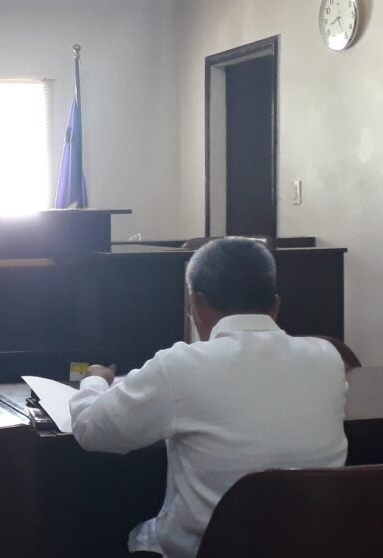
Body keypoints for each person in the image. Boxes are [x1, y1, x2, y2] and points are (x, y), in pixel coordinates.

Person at [69, 237, 347, 558]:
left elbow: (91, 430)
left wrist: (93, 382)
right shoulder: (327, 358)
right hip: (313, 545)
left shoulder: (180, 366)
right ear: (275, 306)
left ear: (195, 303)